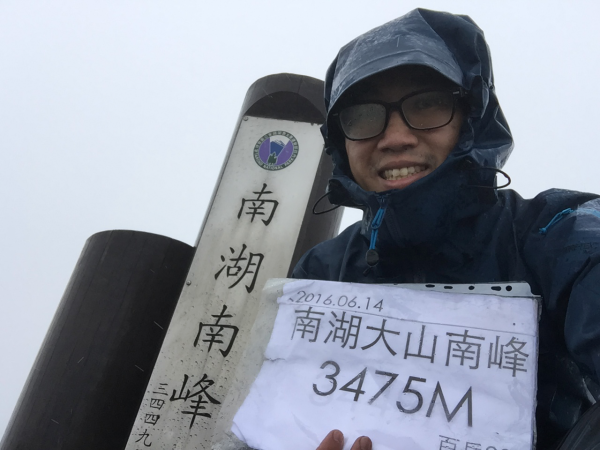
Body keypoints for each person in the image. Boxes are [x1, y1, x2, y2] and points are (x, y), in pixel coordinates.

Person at [292, 8, 600, 449]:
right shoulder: (319, 273)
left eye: (427, 103)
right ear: (340, 141)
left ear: (471, 116)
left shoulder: (557, 233)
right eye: (361, 114)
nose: (395, 137)